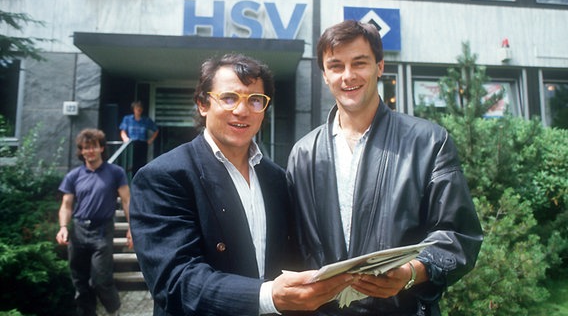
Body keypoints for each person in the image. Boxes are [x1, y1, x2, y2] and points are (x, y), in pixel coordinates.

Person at [129, 53, 354, 316]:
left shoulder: (277, 178)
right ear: (203, 104)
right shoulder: (164, 177)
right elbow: (176, 281)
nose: (242, 110)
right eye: (228, 98)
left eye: (255, 100)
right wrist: (269, 296)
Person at [286, 20, 483, 315]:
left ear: (379, 66)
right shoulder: (303, 153)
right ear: (325, 75)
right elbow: (292, 244)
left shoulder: (429, 142)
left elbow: (458, 236)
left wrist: (413, 272)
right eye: (336, 66)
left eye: (359, 63)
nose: (348, 76)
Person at [56, 128, 132, 316]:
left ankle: (114, 311)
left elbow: (127, 201)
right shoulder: (73, 176)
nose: (90, 151)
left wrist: (132, 227)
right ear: (81, 151)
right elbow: (66, 204)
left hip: (102, 230)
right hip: (79, 230)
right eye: (86, 148)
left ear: (101, 149)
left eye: (93, 147)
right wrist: (63, 227)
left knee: (100, 279)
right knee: (80, 281)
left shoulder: (116, 172)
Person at [119, 100, 159, 176]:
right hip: (131, 144)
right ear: (133, 109)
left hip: (142, 144)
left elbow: (156, 130)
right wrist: (125, 138)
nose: (139, 109)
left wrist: (151, 139)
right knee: (130, 164)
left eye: (140, 108)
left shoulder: (146, 120)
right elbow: (122, 131)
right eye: (137, 108)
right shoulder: (127, 119)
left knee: (141, 165)